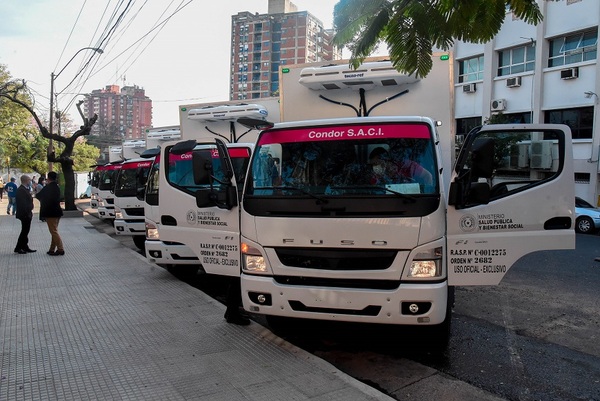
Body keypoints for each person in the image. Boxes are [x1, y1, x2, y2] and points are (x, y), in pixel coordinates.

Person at [36, 171, 64, 256]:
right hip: (57, 211)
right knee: (54, 231)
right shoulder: (57, 187)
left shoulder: (47, 187)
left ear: (48, 178)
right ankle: (52, 249)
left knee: (53, 231)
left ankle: (60, 249)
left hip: (50, 212)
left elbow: (38, 195)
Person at [14, 175, 36, 254]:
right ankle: (19, 247)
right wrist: (27, 212)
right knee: (24, 231)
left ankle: (24, 246)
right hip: (24, 214)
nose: (30, 182)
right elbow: (23, 204)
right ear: (26, 180)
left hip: (27, 213)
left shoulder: (24, 189)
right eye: (29, 180)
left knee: (26, 231)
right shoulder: (21, 190)